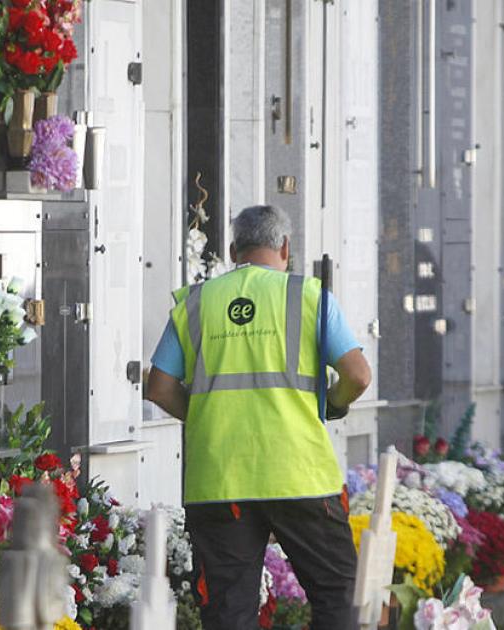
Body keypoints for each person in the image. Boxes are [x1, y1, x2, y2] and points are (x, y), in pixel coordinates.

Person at [146, 205, 372, 630]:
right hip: (300, 475)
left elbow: (158, 387)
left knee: (228, 612)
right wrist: (333, 403)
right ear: (286, 247)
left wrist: (202, 418)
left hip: (219, 480)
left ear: (233, 250)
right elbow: (358, 375)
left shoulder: (195, 303)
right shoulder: (309, 296)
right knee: (338, 595)